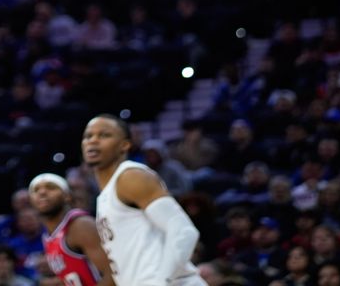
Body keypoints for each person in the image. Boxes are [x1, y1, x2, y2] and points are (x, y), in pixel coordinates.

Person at [83, 114, 207, 286]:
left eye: (104, 135)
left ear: (125, 145)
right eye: (88, 136)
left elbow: (184, 232)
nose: (93, 140)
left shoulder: (131, 177)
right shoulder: (104, 195)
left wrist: (161, 281)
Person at [29, 173, 114, 286]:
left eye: (51, 187)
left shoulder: (81, 225)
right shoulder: (48, 236)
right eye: (36, 190)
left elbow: (113, 274)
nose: (42, 192)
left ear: (67, 196)